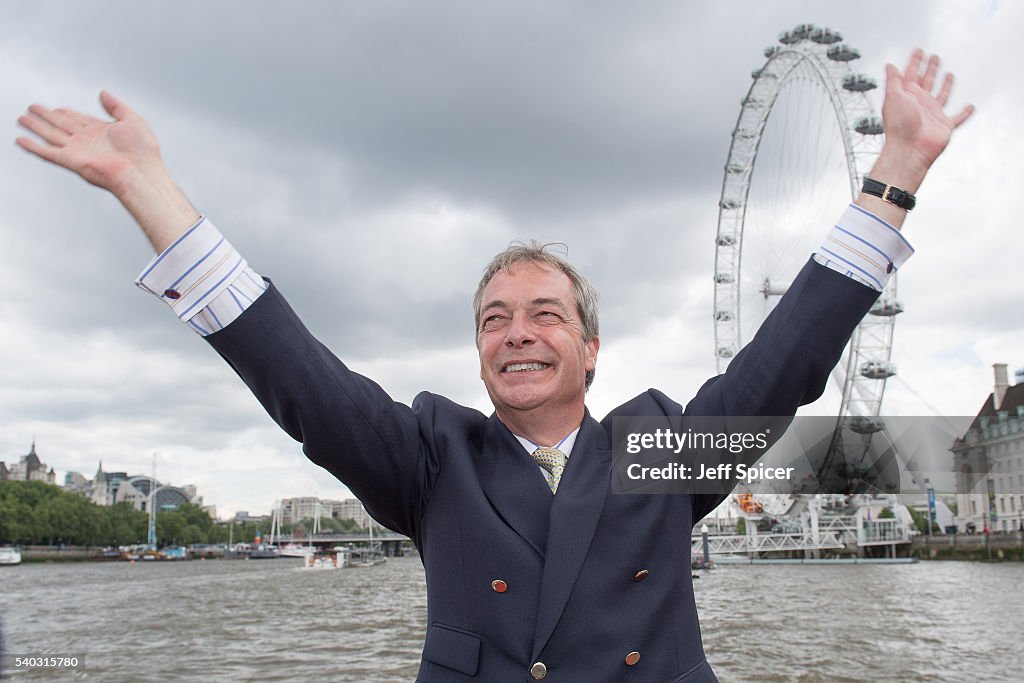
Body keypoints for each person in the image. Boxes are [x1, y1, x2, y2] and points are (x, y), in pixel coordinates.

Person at [17, 50, 971, 681]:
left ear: (590, 350)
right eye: (494, 319)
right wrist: (148, 187)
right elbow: (293, 371)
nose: (517, 331)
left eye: (545, 314)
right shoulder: (435, 458)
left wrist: (895, 176)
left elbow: (786, 360)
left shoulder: (655, 453)